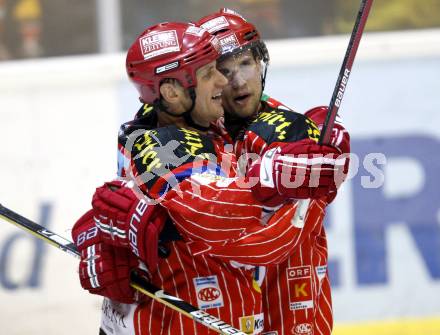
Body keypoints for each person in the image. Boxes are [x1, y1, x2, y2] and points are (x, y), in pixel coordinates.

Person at [71, 20, 343, 335]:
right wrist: (109, 229)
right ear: (172, 92)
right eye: (213, 71)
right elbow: (212, 211)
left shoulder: (262, 124)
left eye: (243, 64)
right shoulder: (158, 138)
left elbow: (262, 235)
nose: (227, 82)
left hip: (271, 316)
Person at [196, 9, 350, 335]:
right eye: (224, 70)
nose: (238, 80)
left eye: (245, 63)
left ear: (260, 62)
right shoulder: (195, 131)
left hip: (291, 296)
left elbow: (292, 224)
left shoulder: (290, 128)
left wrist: (321, 166)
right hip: (225, 300)